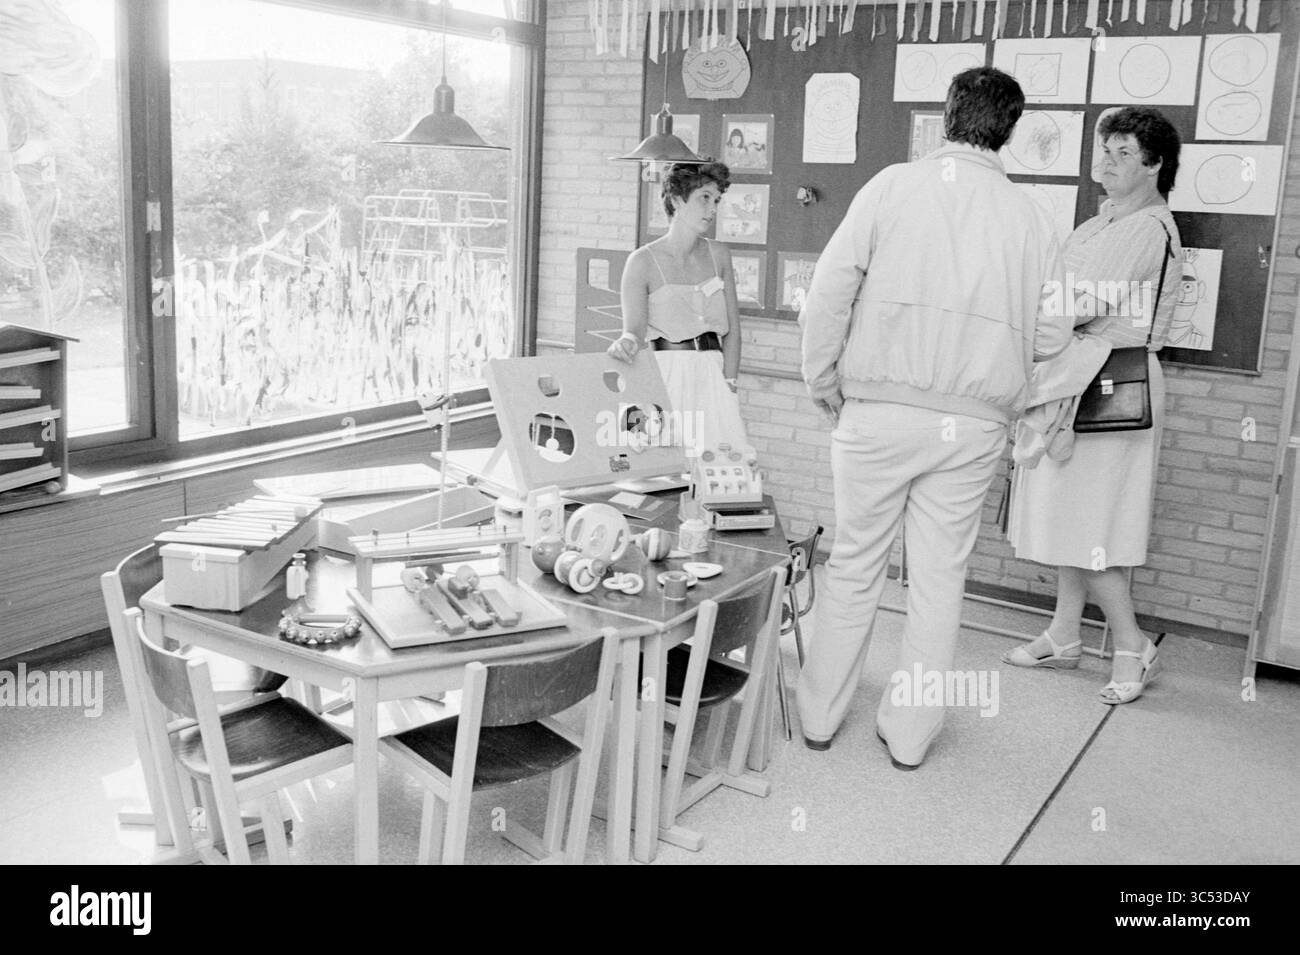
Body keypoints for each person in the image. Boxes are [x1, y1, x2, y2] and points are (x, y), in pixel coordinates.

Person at [796, 66, 1072, 768]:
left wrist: (820, 374)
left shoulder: (892, 186)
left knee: (855, 562)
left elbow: (830, 290)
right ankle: (911, 734)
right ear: (1009, 131)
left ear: (946, 115)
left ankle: (820, 715)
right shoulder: (1033, 219)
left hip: (878, 411)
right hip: (975, 424)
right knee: (940, 578)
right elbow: (1053, 337)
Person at [1004, 106, 1183, 705]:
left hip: (1112, 384)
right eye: (1104, 149)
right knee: (1065, 518)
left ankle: (1133, 647)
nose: (1105, 162)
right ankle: (1064, 634)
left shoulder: (1146, 228)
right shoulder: (1099, 221)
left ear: (1156, 166)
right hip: (1078, 377)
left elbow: (1072, 301)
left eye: (1123, 153)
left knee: (1091, 529)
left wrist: (1021, 310)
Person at [607, 162, 749, 457]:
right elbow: (633, 332)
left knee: (721, 466)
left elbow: (733, 331)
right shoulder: (642, 261)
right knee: (663, 462)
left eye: (716, 200)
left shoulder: (719, 254)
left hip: (712, 374)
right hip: (666, 375)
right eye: (704, 198)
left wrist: (729, 385)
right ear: (676, 200)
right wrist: (625, 343)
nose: (712, 209)